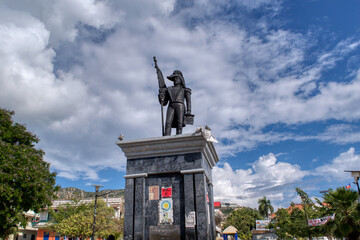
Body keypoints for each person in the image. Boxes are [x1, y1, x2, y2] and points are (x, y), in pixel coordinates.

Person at [159, 70, 192, 135]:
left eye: (176, 78)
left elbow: (188, 101)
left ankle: (178, 138)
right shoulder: (169, 89)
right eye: (173, 79)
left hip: (180, 106)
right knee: (168, 123)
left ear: (181, 79)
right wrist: (161, 97)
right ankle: (166, 138)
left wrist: (189, 111)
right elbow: (164, 102)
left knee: (179, 124)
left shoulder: (185, 90)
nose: (175, 80)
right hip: (171, 105)